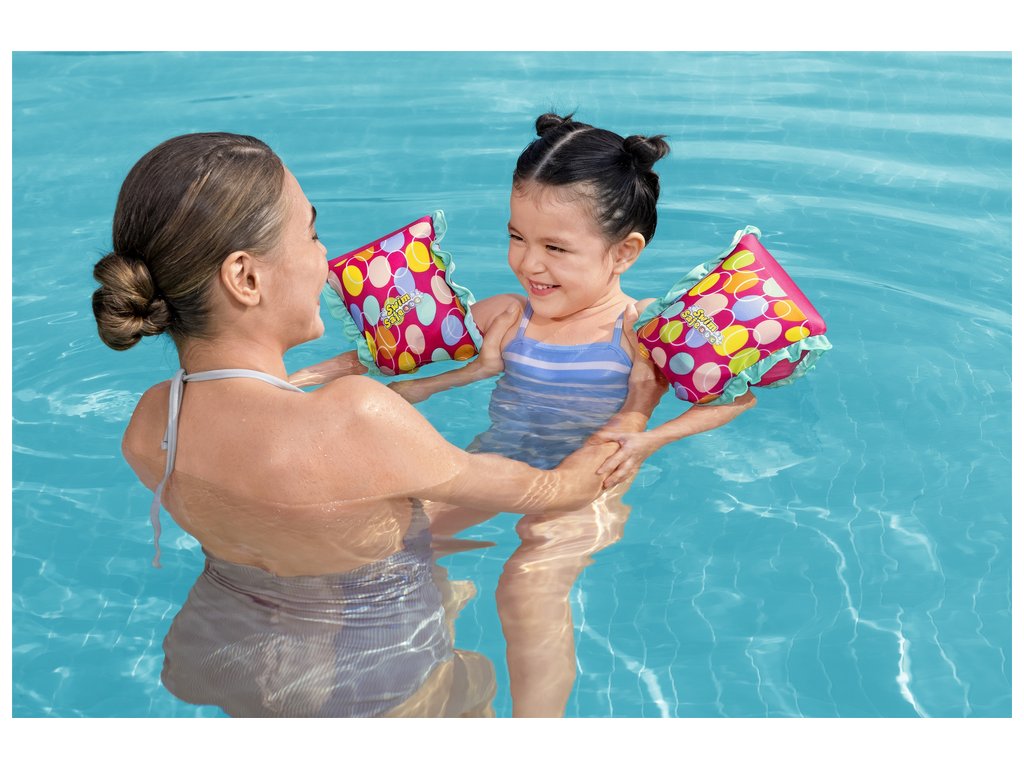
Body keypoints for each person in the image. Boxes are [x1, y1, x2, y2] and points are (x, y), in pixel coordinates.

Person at [90, 131, 621, 717]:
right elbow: (553, 490)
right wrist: (633, 414)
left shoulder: (150, 425)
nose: (326, 261)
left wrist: (438, 382)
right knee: (477, 680)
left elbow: (292, 465)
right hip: (377, 683)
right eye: (312, 234)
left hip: (225, 654)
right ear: (246, 278)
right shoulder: (357, 417)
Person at [301, 113, 757, 716]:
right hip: (494, 463)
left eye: (555, 248)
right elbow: (381, 351)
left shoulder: (641, 329)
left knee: (527, 586)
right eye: (517, 237)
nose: (529, 264)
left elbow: (734, 396)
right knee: (389, 548)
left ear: (623, 252)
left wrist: (649, 438)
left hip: (587, 484)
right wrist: (293, 381)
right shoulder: (508, 315)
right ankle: (436, 667)